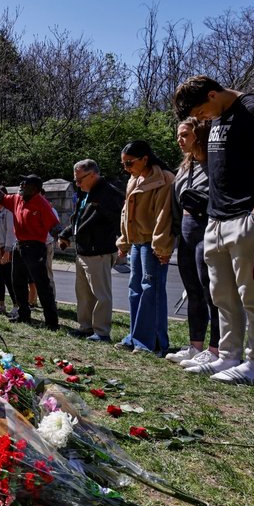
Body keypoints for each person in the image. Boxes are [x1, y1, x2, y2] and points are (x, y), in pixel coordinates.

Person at [173, 75, 254, 385]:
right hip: (217, 218)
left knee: (253, 294)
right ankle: (228, 356)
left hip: (249, 217)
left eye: (201, 112)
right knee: (222, 295)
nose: (201, 120)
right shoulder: (217, 117)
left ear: (213, 94)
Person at [166, 118, 220, 368]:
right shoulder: (185, 166)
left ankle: (215, 349)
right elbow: (177, 201)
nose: (180, 139)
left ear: (200, 135)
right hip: (185, 236)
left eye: (185, 135)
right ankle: (195, 346)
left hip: (206, 232)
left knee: (212, 294)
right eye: (179, 135)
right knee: (193, 292)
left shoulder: (214, 164)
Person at [0, 172, 60, 330]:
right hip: (19, 245)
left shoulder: (41, 203)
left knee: (42, 284)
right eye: (21, 183)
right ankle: (23, 314)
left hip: (35, 248)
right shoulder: (16, 199)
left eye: (25, 183)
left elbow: (54, 225)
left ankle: (51, 321)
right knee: (17, 282)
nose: (21, 185)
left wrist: (63, 237)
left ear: (35, 188)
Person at [115, 141, 175, 355]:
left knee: (152, 290)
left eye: (129, 163)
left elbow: (164, 215)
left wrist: (161, 247)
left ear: (144, 159)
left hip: (153, 243)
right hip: (137, 242)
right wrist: (124, 241)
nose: (126, 168)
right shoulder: (134, 179)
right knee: (135, 289)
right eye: (123, 164)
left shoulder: (164, 179)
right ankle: (135, 337)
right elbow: (126, 213)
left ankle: (154, 342)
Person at [58, 159, 124, 342]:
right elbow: (79, 219)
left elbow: (121, 220)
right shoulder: (85, 192)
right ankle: (86, 327)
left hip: (99, 251)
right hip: (83, 251)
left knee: (101, 295)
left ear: (93, 174)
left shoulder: (108, 194)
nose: (77, 184)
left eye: (80, 180)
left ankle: (102, 332)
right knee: (84, 294)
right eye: (75, 181)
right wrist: (66, 234)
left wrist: (122, 242)